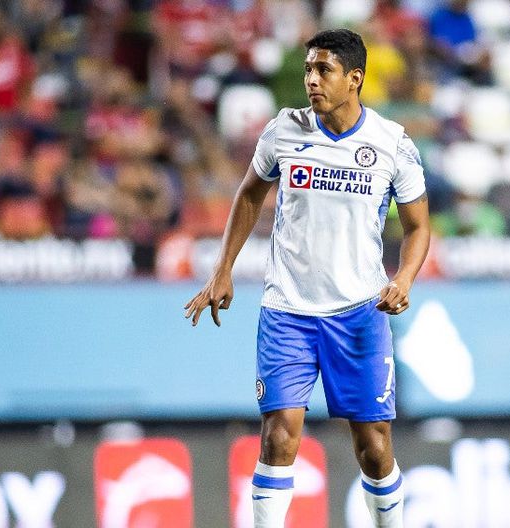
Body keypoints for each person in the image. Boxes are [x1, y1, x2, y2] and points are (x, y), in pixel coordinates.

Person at [184, 28, 430, 527]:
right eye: (308, 70)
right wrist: (222, 269)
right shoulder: (284, 130)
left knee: (374, 447)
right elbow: (249, 193)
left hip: (359, 312)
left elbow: (419, 226)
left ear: (354, 78)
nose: (312, 80)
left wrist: (404, 279)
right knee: (279, 435)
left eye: (324, 70)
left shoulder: (391, 144)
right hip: (288, 310)